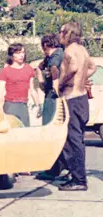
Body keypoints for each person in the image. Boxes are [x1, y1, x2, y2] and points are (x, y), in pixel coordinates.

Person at [56, 21, 96, 191]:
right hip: (81, 99)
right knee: (77, 139)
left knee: (73, 141)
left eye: (61, 31)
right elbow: (92, 67)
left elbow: (72, 68)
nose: (59, 34)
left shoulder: (69, 50)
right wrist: (82, 78)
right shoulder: (82, 50)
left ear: (67, 33)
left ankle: (79, 180)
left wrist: (61, 83)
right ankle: (75, 175)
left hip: (72, 98)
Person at [35, 34, 67, 181]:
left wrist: (54, 86)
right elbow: (40, 67)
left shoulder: (55, 56)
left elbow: (54, 69)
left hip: (53, 97)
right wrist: (41, 79)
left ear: (45, 45)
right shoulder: (56, 54)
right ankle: (58, 167)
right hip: (52, 94)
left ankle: (55, 168)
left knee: (50, 130)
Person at [0, 43, 41, 126]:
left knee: (24, 131)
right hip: (10, 105)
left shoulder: (29, 69)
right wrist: (0, 109)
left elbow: (32, 89)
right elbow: (0, 92)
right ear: (12, 55)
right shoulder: (5, 71)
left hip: (23, 106)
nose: (21, 55)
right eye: (18, 53)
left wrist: (38, 105)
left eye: (23, 52)